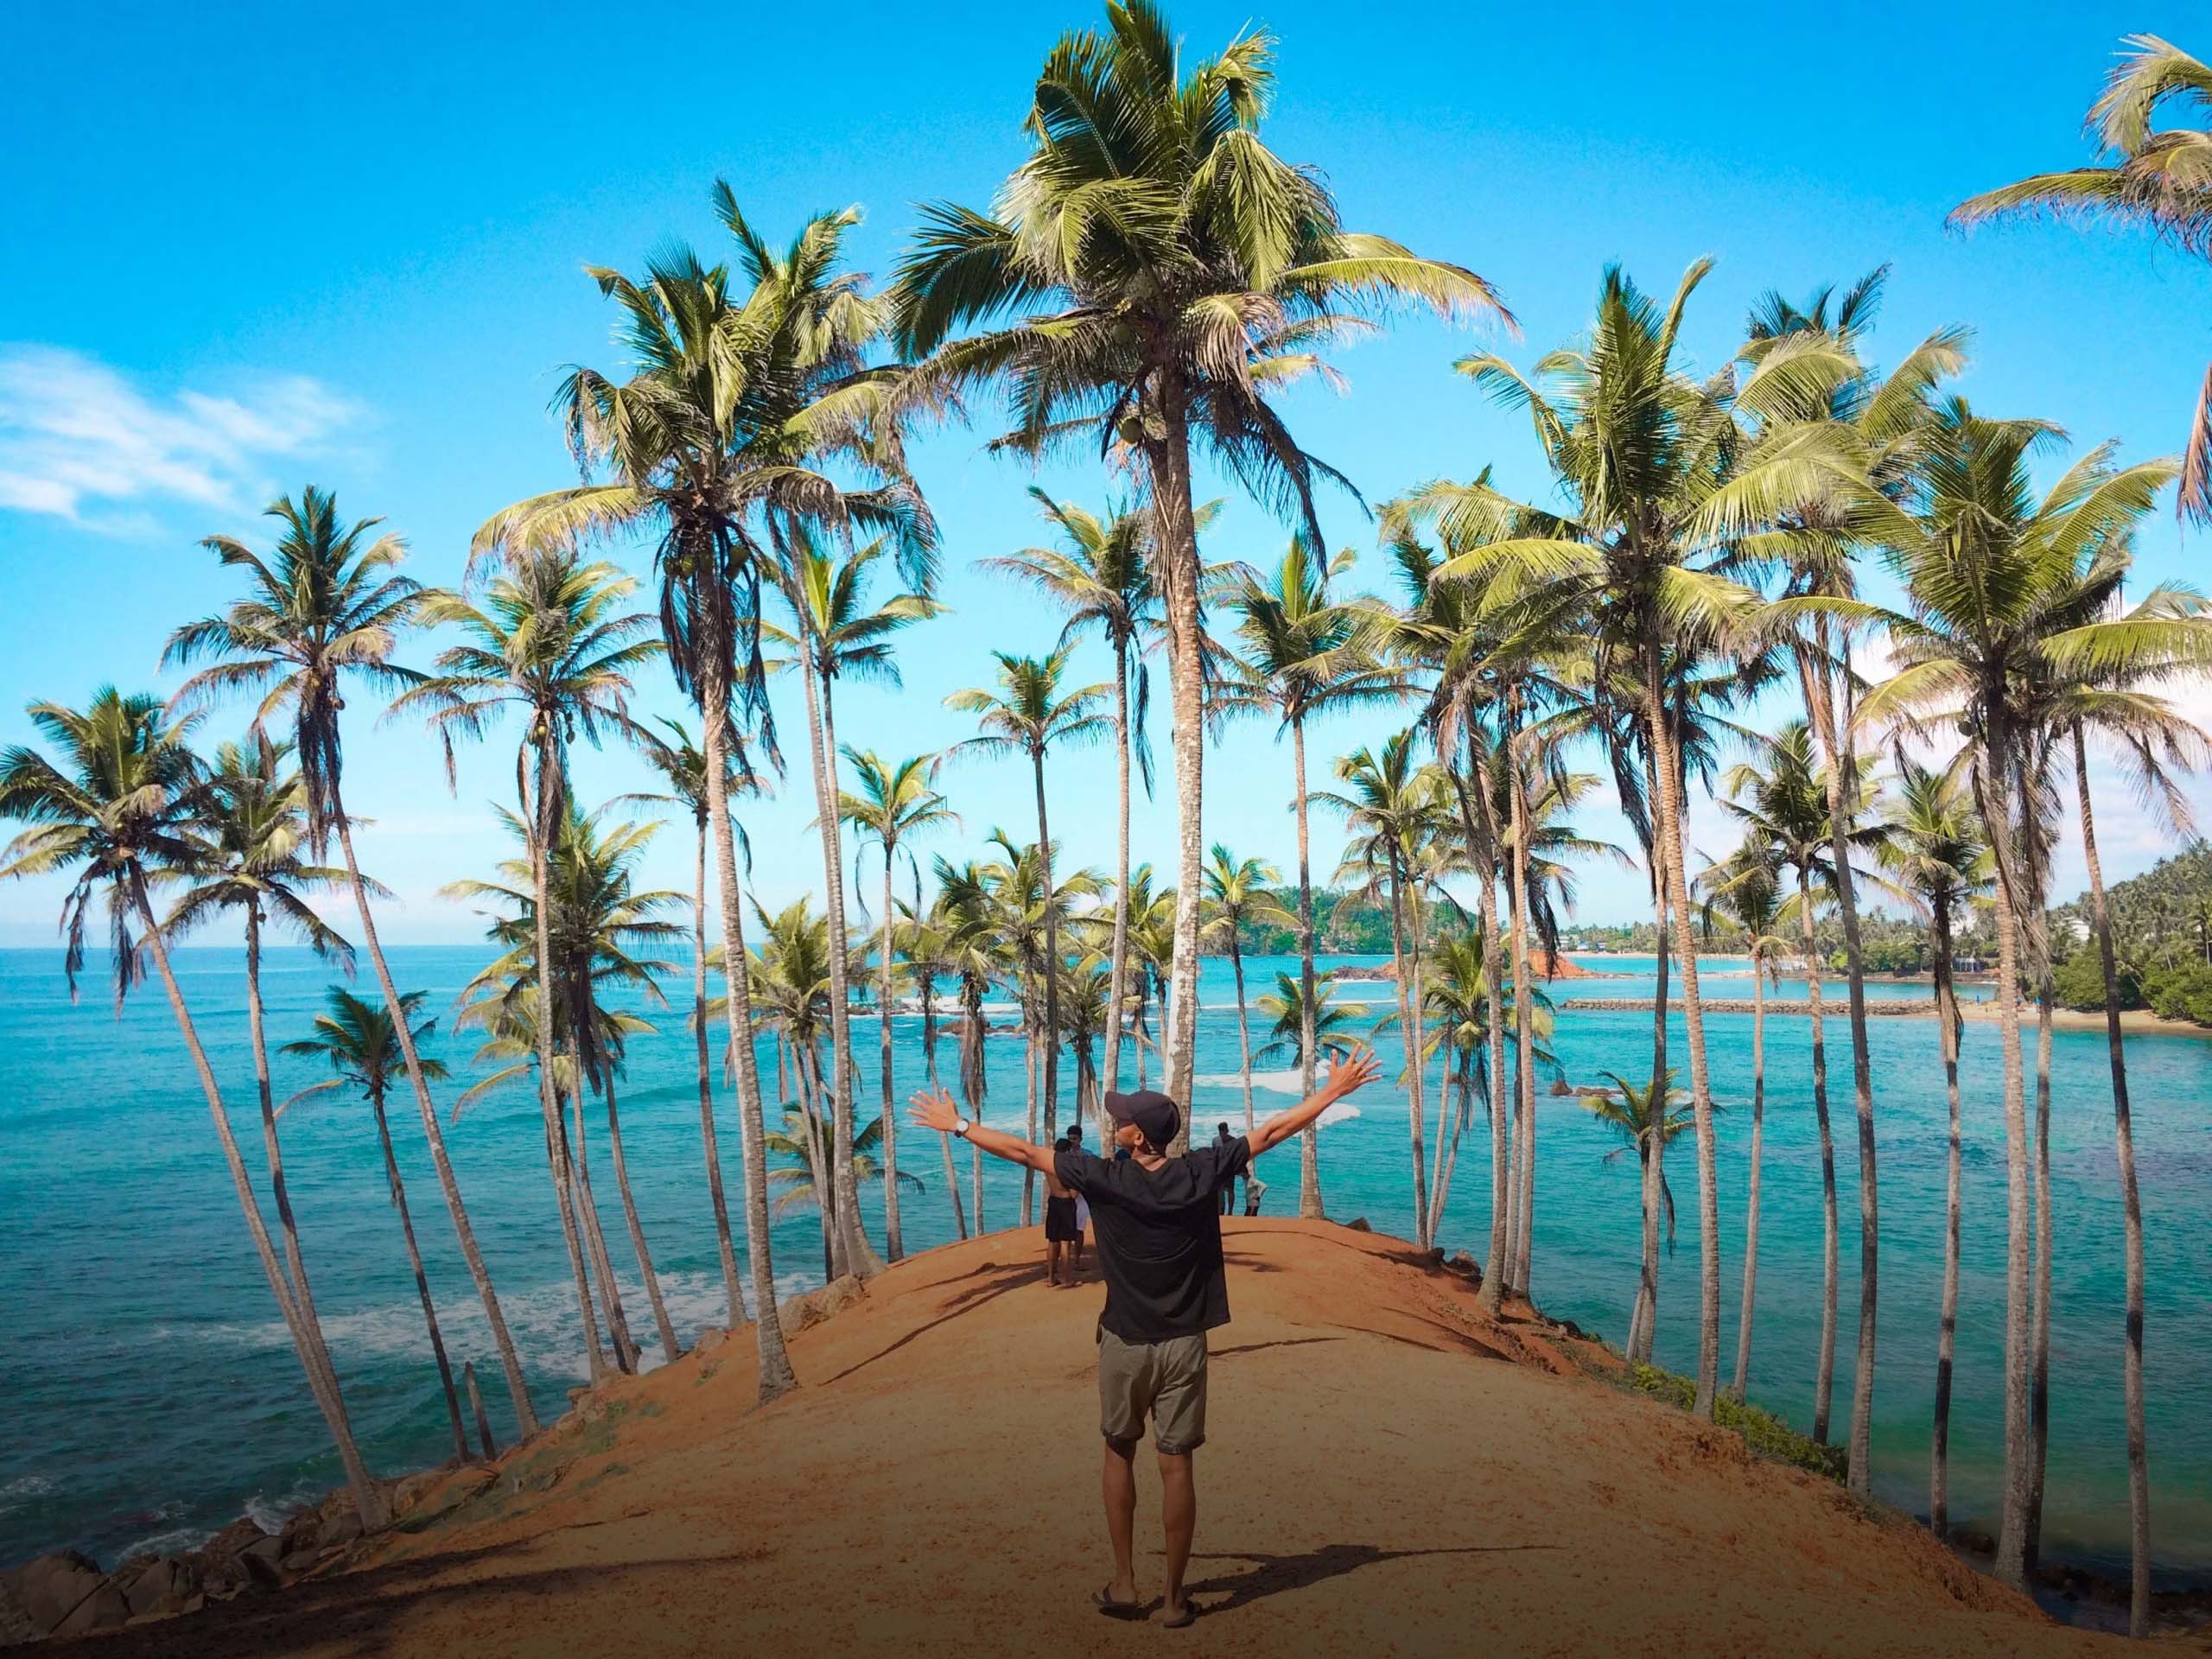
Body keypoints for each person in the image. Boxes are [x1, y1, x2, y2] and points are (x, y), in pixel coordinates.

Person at [907, 1044, 1380, 1628]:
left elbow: (1022, 1152)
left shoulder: (1101, 1177)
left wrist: (957, 1124)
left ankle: (1127, 1584)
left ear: (1137, 1138)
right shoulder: (1199, 1172)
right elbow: (1275, 1131)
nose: (1115, 1119)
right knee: (1176, 1465)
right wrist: (1333, 1091)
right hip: (1185, 1343)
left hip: (1125, 1343)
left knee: (1117, 1451)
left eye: (1123, 1117)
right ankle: (1177, 1600)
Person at [1045, 1135, 1079, 1287]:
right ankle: (1066, 1279)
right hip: (1066, 1203)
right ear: (1067, 1151)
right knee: (1066, 1243)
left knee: (1052, 1241)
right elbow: (1074, 1194)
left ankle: (1051, 1278)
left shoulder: (1049, 1165)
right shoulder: (1066, 1168)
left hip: (1053, 1201)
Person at [1066, 1122, 1090, 1277]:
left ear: (1080, 1139)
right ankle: (1066, 1261)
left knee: (1079, 1230)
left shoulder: (1087, 1155)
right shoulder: (1064, 1155)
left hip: (1082, 1198)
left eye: (1074, 1139)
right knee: (1067, 1231)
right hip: (1067, 1197)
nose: (1072, 1142)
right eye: (1070, 1139)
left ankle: (1077, 1260)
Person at [1212, 1122, 1237, 1214]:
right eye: (1221, 1132)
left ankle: (1230, 1211)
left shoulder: (1233, 1140)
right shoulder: (1215, 1140)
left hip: (1229, 1169)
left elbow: (1235, 1155)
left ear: (1227, 1131)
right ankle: (1220, 1210)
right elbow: (1214, 1155)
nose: (1222, 1134)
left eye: (1224, 1132)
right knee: (1220, 1190)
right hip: (1219, 1168)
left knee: (1230, 1190)